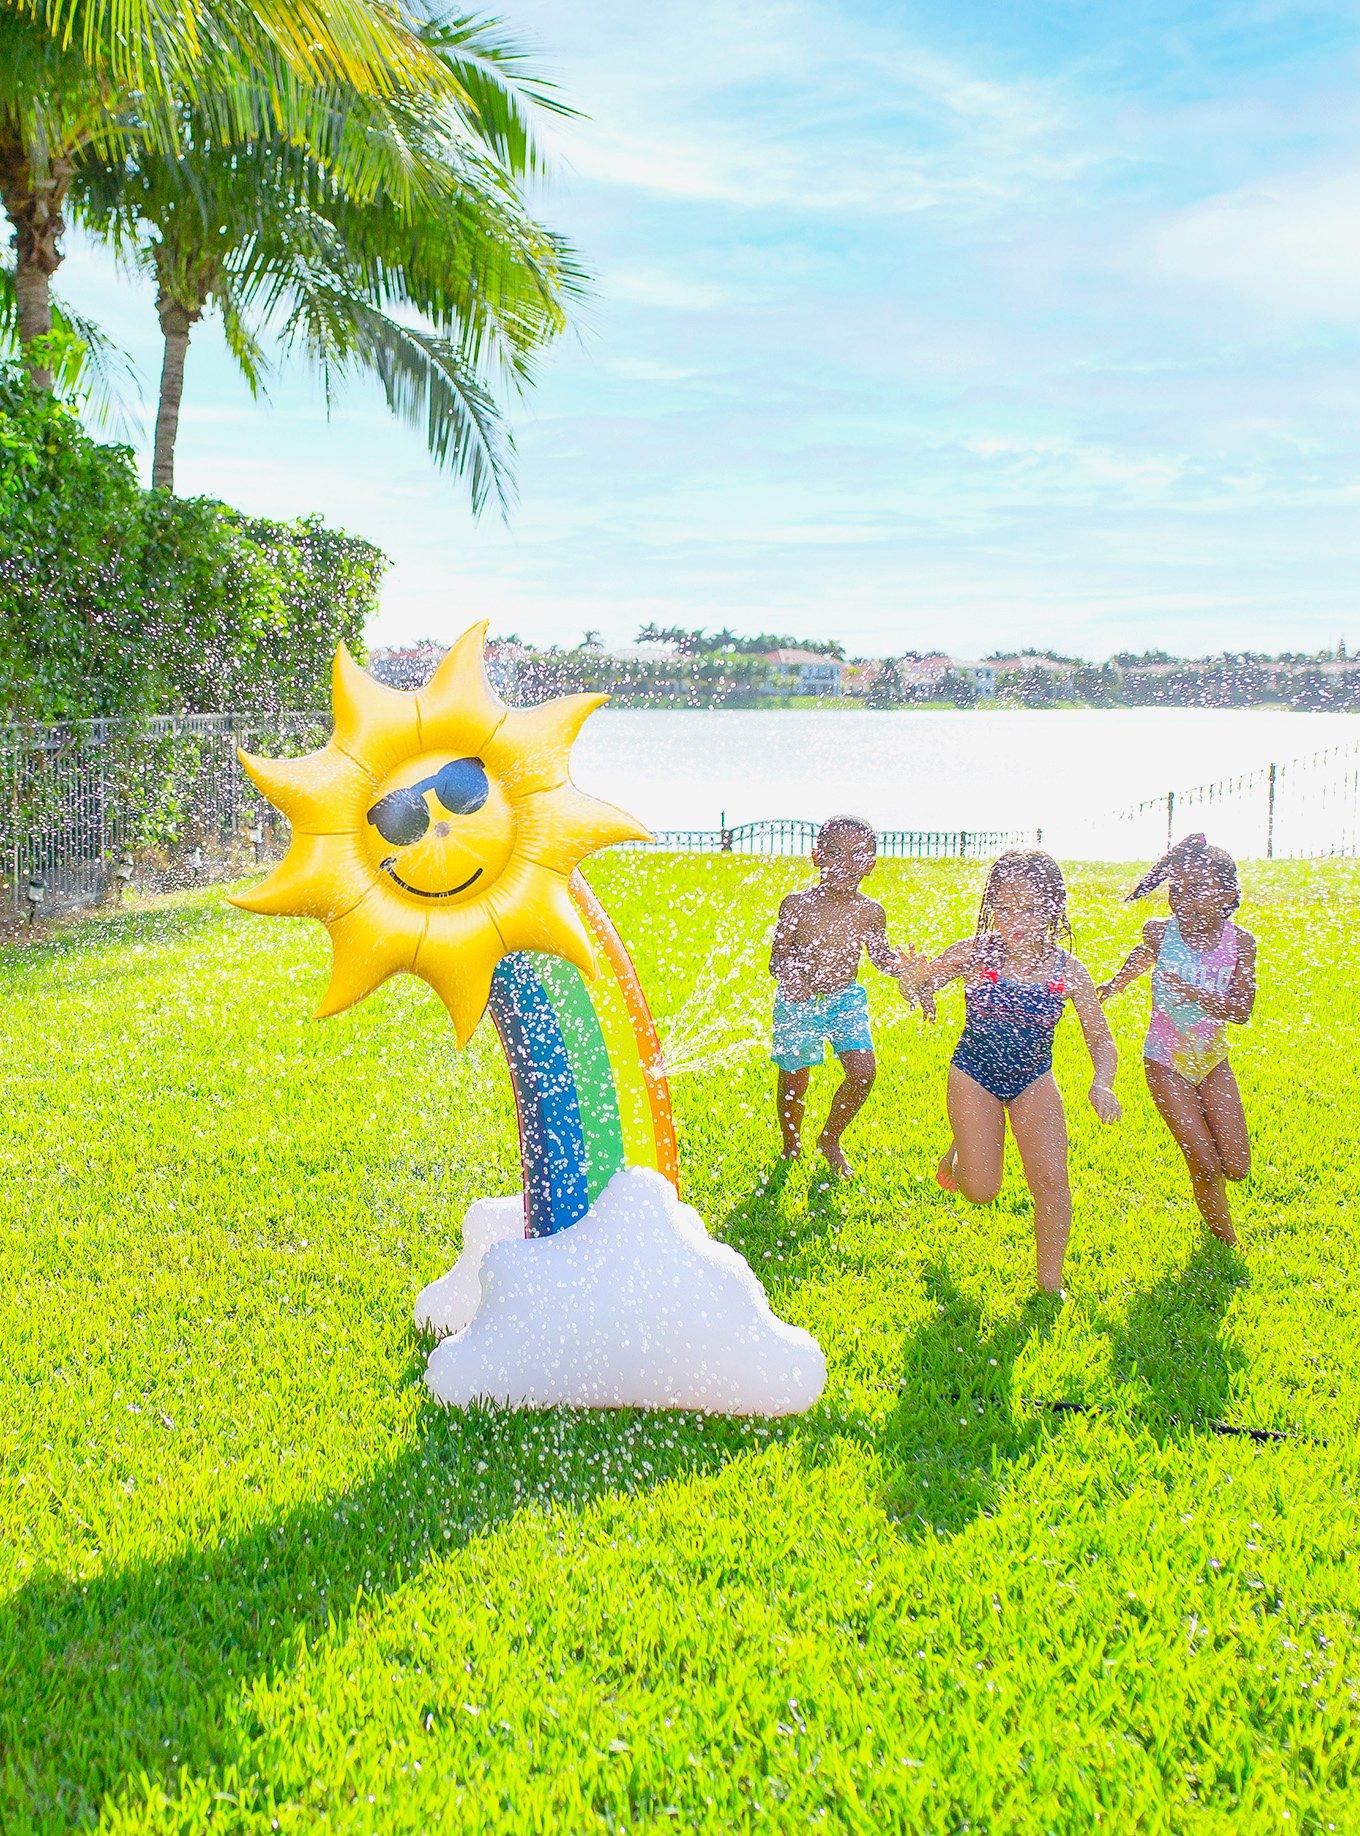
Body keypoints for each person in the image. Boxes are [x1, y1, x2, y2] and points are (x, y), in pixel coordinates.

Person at [909, 850, 1120, 1295]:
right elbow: (923, 985)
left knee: (1050, 1180)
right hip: (973, 1075)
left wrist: (1101, 1082)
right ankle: (962, 1150)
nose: (1014, 919)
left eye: (1028, 908)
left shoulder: (1068, 970)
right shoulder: (974, 953)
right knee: (982, 1191)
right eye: (1004, 907)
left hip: (1034, 1080)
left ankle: (1050, 1285)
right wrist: (914, 980)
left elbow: (1100, 1038)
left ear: (1053, 910)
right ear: (989, 908)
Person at [1098, 834, 1255, 1247]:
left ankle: (1214, 1192)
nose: (1182, 898)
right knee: (1203, 1160)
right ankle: (1228, 1245)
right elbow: (1143, 954)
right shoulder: (1158, 932)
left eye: (1196, 888)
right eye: (1177, 888)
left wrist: (1194, 992)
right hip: (1165, 1060)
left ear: (1227, 894)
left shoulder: (1240, 943)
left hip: (1212, 1059)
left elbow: (1241, 1011)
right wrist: (1116, 984)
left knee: (1236, 1165)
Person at [769, 816, 918, 1177]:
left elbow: (880, 959)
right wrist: (794, 977)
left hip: (844, 1001)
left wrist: (904, 968)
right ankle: (791, 1144)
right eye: (835, 853)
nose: (844, 863)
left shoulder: (870, 912)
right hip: (798, 1004)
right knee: (794, 1079)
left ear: (870, 865)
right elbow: (777, 958)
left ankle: (830, 1138)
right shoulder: (797, 905)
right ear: (816, 857)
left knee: (863, 1073)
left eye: (856, 855)